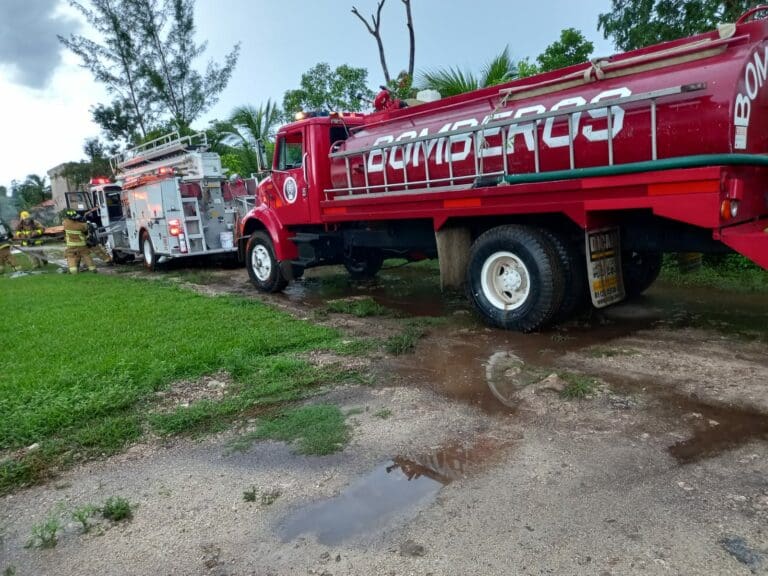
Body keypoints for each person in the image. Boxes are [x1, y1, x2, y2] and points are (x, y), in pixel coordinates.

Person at [63, 209, 96, 274]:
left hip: (71, 245)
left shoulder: (65, 223)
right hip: (82, 245)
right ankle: (93, 269)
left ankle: (73, 271)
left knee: (71, 256)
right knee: (86, 256)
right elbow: (86, 231)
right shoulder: (81, 225)